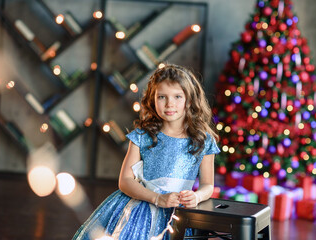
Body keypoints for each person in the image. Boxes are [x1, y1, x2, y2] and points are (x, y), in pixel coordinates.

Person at [72, 63, 220, 240]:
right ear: (152, 99)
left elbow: (208, 185)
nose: (169, 103)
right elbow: (125, 181)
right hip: (139, 210)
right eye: (162, 97)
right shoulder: (143, 136)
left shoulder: (203, 140)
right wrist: (158, 198)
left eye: (178, 96)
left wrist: (196, 196)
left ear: (189, 100)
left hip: (178, 216)